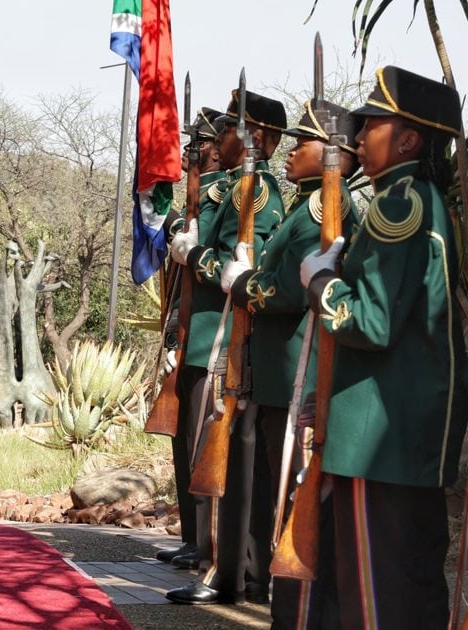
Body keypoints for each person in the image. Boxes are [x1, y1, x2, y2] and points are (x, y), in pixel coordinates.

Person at [298, 66, 467, 629]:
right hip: (401, 436)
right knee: (407, 594)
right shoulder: (422, 200)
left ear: (409, 139)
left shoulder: (400, 206)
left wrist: (320, 281)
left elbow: (369, 321)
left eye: (373, 123)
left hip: (380, 439)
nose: (359, 133)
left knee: (376, 601)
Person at [221, 99, 360, 627]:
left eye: (303, 143)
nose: (292, 151)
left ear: (332, 154)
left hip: (294, 361)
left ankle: (269, 578)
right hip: (277, 360)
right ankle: (259, 575)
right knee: (258, 478)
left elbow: (284, 291)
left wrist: (242, 284)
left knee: (277, 481)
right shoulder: (307, 204)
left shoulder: (326, 206)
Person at [167, 88, 287, 605]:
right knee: (215, 457)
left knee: (229, 461)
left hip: (230, 340)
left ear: (258, 136)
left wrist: (196, 257)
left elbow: (246, 269)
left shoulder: (255, 191)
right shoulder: (236, 186)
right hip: (212, 336)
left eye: (231, 129)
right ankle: (227, 565)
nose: (220, 139)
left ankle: (227, 567)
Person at [156, 106, 227, 570]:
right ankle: (191, 537)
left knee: (204, 447)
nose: (190, 151)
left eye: (200, 143)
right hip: (185, 334)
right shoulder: (198, 197)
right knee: (184, 444)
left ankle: (208, 544)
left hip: (210, 338)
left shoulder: (229, 195)